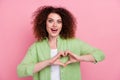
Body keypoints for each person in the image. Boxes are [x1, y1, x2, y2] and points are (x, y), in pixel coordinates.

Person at [17, 6, 105, 80]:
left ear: (63, 25)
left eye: (59, 21)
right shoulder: (36, 47)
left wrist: (79, 58)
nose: (55, 25)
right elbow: (20, 71)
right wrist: (48, 62)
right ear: (44, 23)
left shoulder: (74, 43)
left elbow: (100, 54)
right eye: (50, 21)